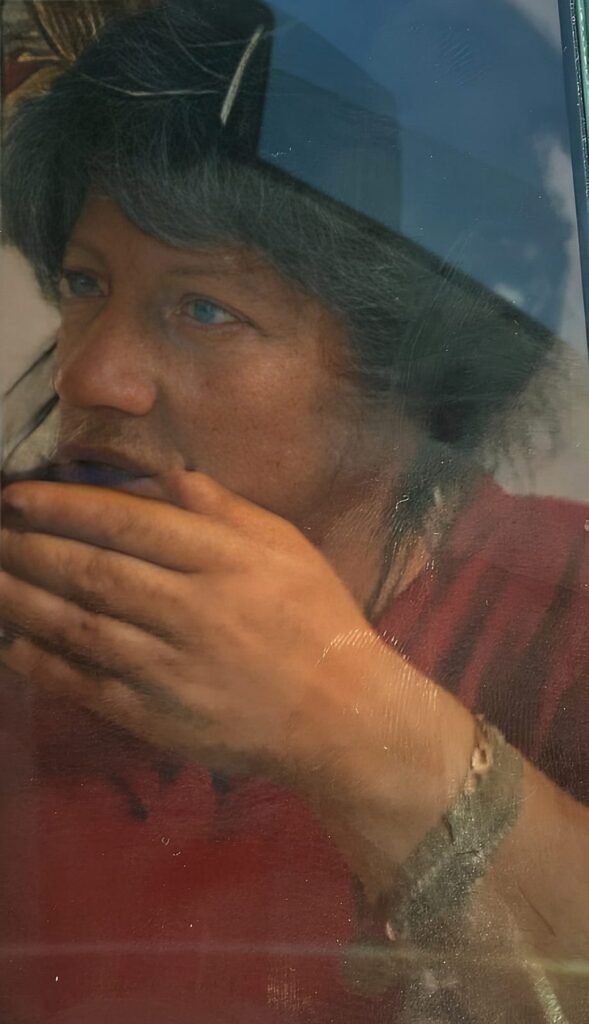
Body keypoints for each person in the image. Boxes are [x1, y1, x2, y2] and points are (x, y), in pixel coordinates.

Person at [0, 2, 587, 1022]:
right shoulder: (29, 595)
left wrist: (330, 705)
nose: (91, 374)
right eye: (88, 283)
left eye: (204, 309)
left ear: (403, 366)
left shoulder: (562, 611)